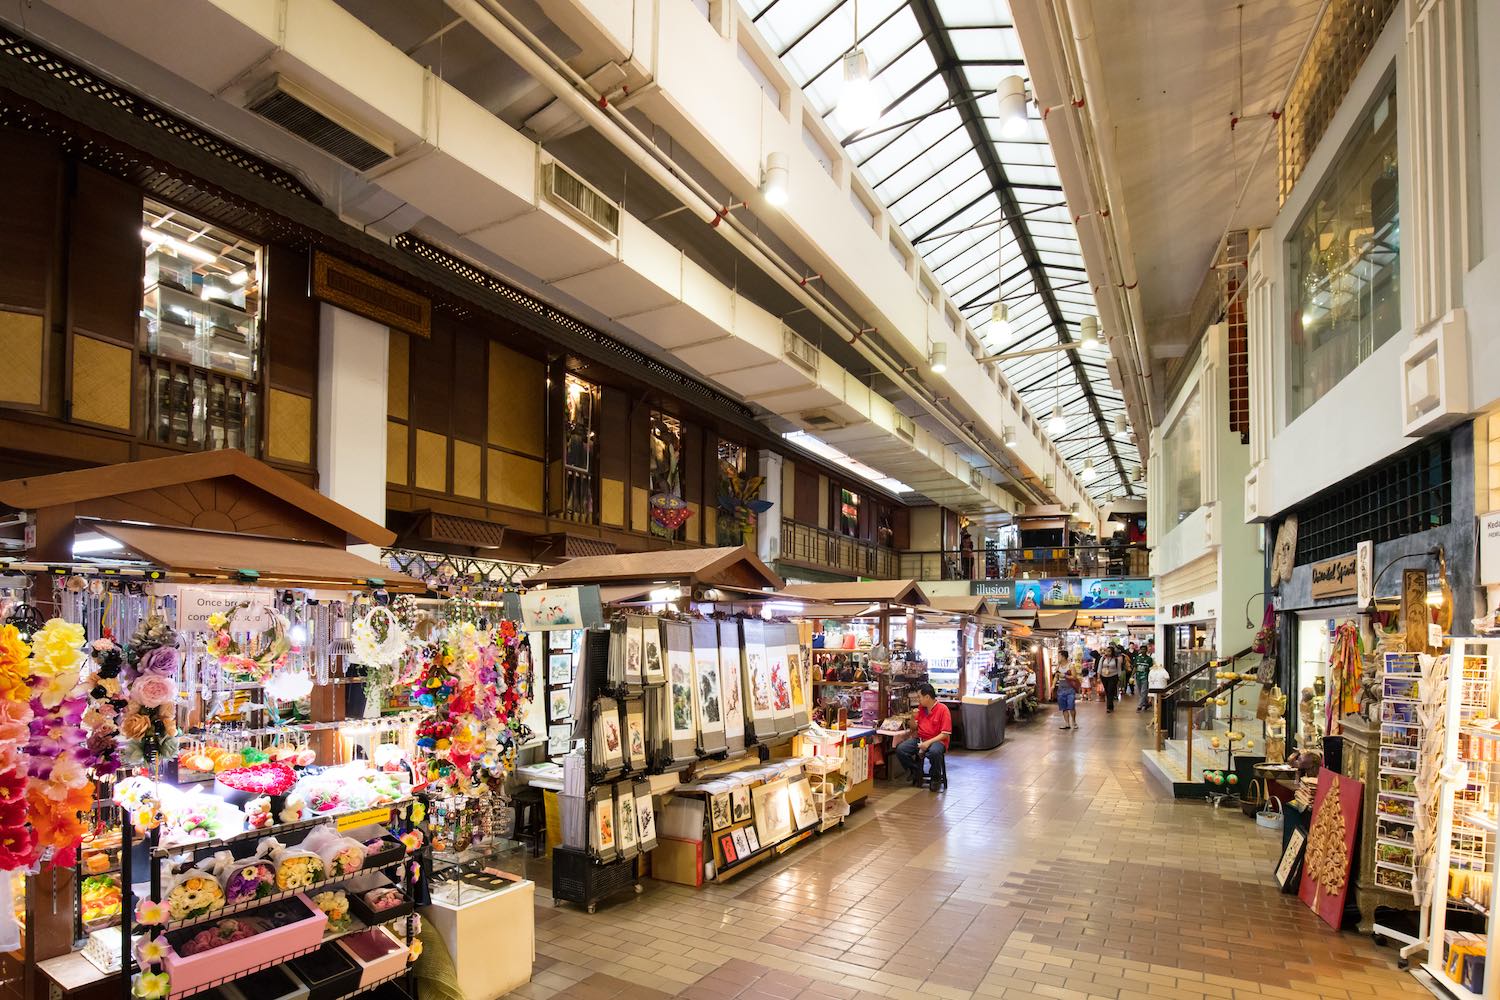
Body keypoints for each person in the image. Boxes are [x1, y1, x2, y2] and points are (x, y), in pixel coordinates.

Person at [895, 683, 951, 791]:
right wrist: (912, 716)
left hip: (938, 740)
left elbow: (945, 734)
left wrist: (928, 743)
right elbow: (914, 728)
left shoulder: (943, 710)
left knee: (934, 752)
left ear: (927, 697)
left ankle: (936, 778)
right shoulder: (921, 709)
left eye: (919, 697)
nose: (918, 699)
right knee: (901, 749)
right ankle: (915, 771)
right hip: (921, 738)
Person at [1098, 643, 1124, 713]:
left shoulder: (1116, 659)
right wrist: (1098, 677)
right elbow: (1099, 667)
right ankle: (1111, 705)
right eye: (1106, 651)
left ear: (1112, 652)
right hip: (1104, 676)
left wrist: (1119, 677)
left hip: (1113, 676)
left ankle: (1108, 707)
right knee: (1107, 691)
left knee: (1110, 691)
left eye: (1109, 651)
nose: (1107, 652)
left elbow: (1119, 668)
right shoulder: (1103, 658)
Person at [1134, 641, 1156, 712]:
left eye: (1144, 649)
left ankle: (1139, 706)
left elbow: (1151, 668)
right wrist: (1132, 676)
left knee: (1143, 691)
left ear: (1146, 650)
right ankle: (1146, 703)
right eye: (1142, 649)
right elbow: (1135, 667)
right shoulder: (1137, 658)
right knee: (1140, 692)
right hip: (1138, 677)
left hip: (1145, 677)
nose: (1143, 650)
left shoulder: (1149, 659)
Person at [1057, 666, 1080, 730]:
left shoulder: (1070, 666)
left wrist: (1065, 676)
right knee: (1064, 707)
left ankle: (1074, 722)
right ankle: (1067, 723)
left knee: (1071, 706)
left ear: (1063, 657)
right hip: (1061, 689)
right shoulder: (1058, 667)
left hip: (1070, 689)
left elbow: (1074, 677)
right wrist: (1053, 685)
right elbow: (1056, 677)